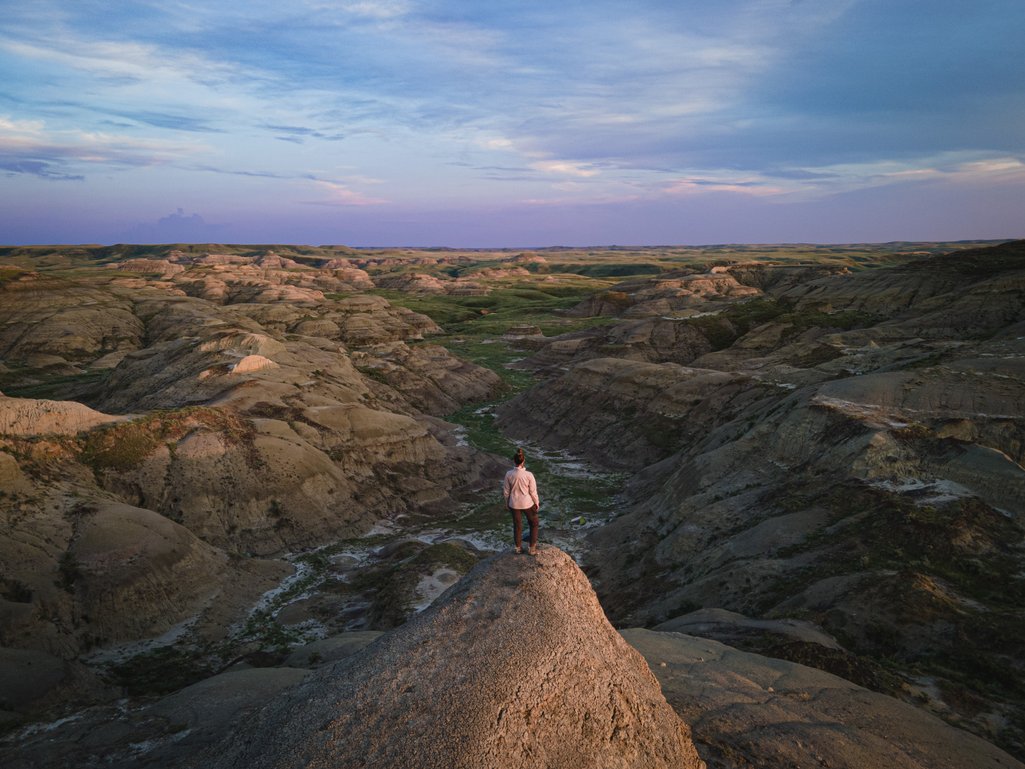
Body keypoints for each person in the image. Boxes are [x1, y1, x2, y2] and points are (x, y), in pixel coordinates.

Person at [503, 447, 540, 555]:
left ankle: (518, 548)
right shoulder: (529, 475)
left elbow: (506, 491)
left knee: (517, 525)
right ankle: (532, 548)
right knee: (534, 523)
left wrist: (506, 503)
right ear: (523, 461)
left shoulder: (508, 474)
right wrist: (536, 503)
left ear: (514, 461)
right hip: (527, 503)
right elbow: (533, 492)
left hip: (514, 504)